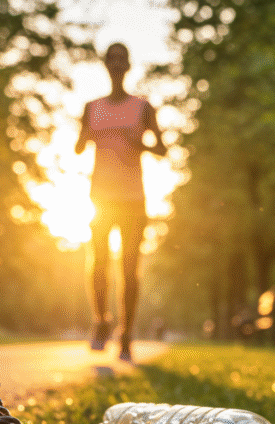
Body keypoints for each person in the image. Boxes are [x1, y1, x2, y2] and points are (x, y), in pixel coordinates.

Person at [75, 42, 167, 362]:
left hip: (132, 199)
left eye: (121, 59)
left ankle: (126, 334)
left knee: (129, 268)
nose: (116, 64)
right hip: (99, 198)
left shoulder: (143, 108)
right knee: (98, 261)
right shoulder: (91, 107)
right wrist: (85, 133)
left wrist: (139, 144)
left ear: (128, 65)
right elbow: (78, 146)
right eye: (111, 59)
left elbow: (163, 149)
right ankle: (101, 321)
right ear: (105, 65)